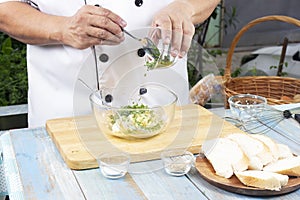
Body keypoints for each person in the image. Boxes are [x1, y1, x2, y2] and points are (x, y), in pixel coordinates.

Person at [0, 0, 220, 127]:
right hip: (66, 118)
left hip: (164, 112)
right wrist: (63, 28)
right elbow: (5, 8)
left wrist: (185, 7)